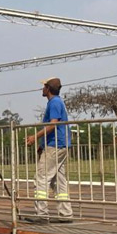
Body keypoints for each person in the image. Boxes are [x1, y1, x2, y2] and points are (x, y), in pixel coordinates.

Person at [25, 77, 73, 224]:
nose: (42, 89)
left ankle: (42, 214)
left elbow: (52, 126)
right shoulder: (56, 102)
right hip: (59, 144)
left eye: (44, 87)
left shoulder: (54, 103)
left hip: (55, 145)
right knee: (59, 180)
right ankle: (65, 214)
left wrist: (34, 137)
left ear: (48, 89)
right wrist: (42, 144)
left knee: (41, 178)